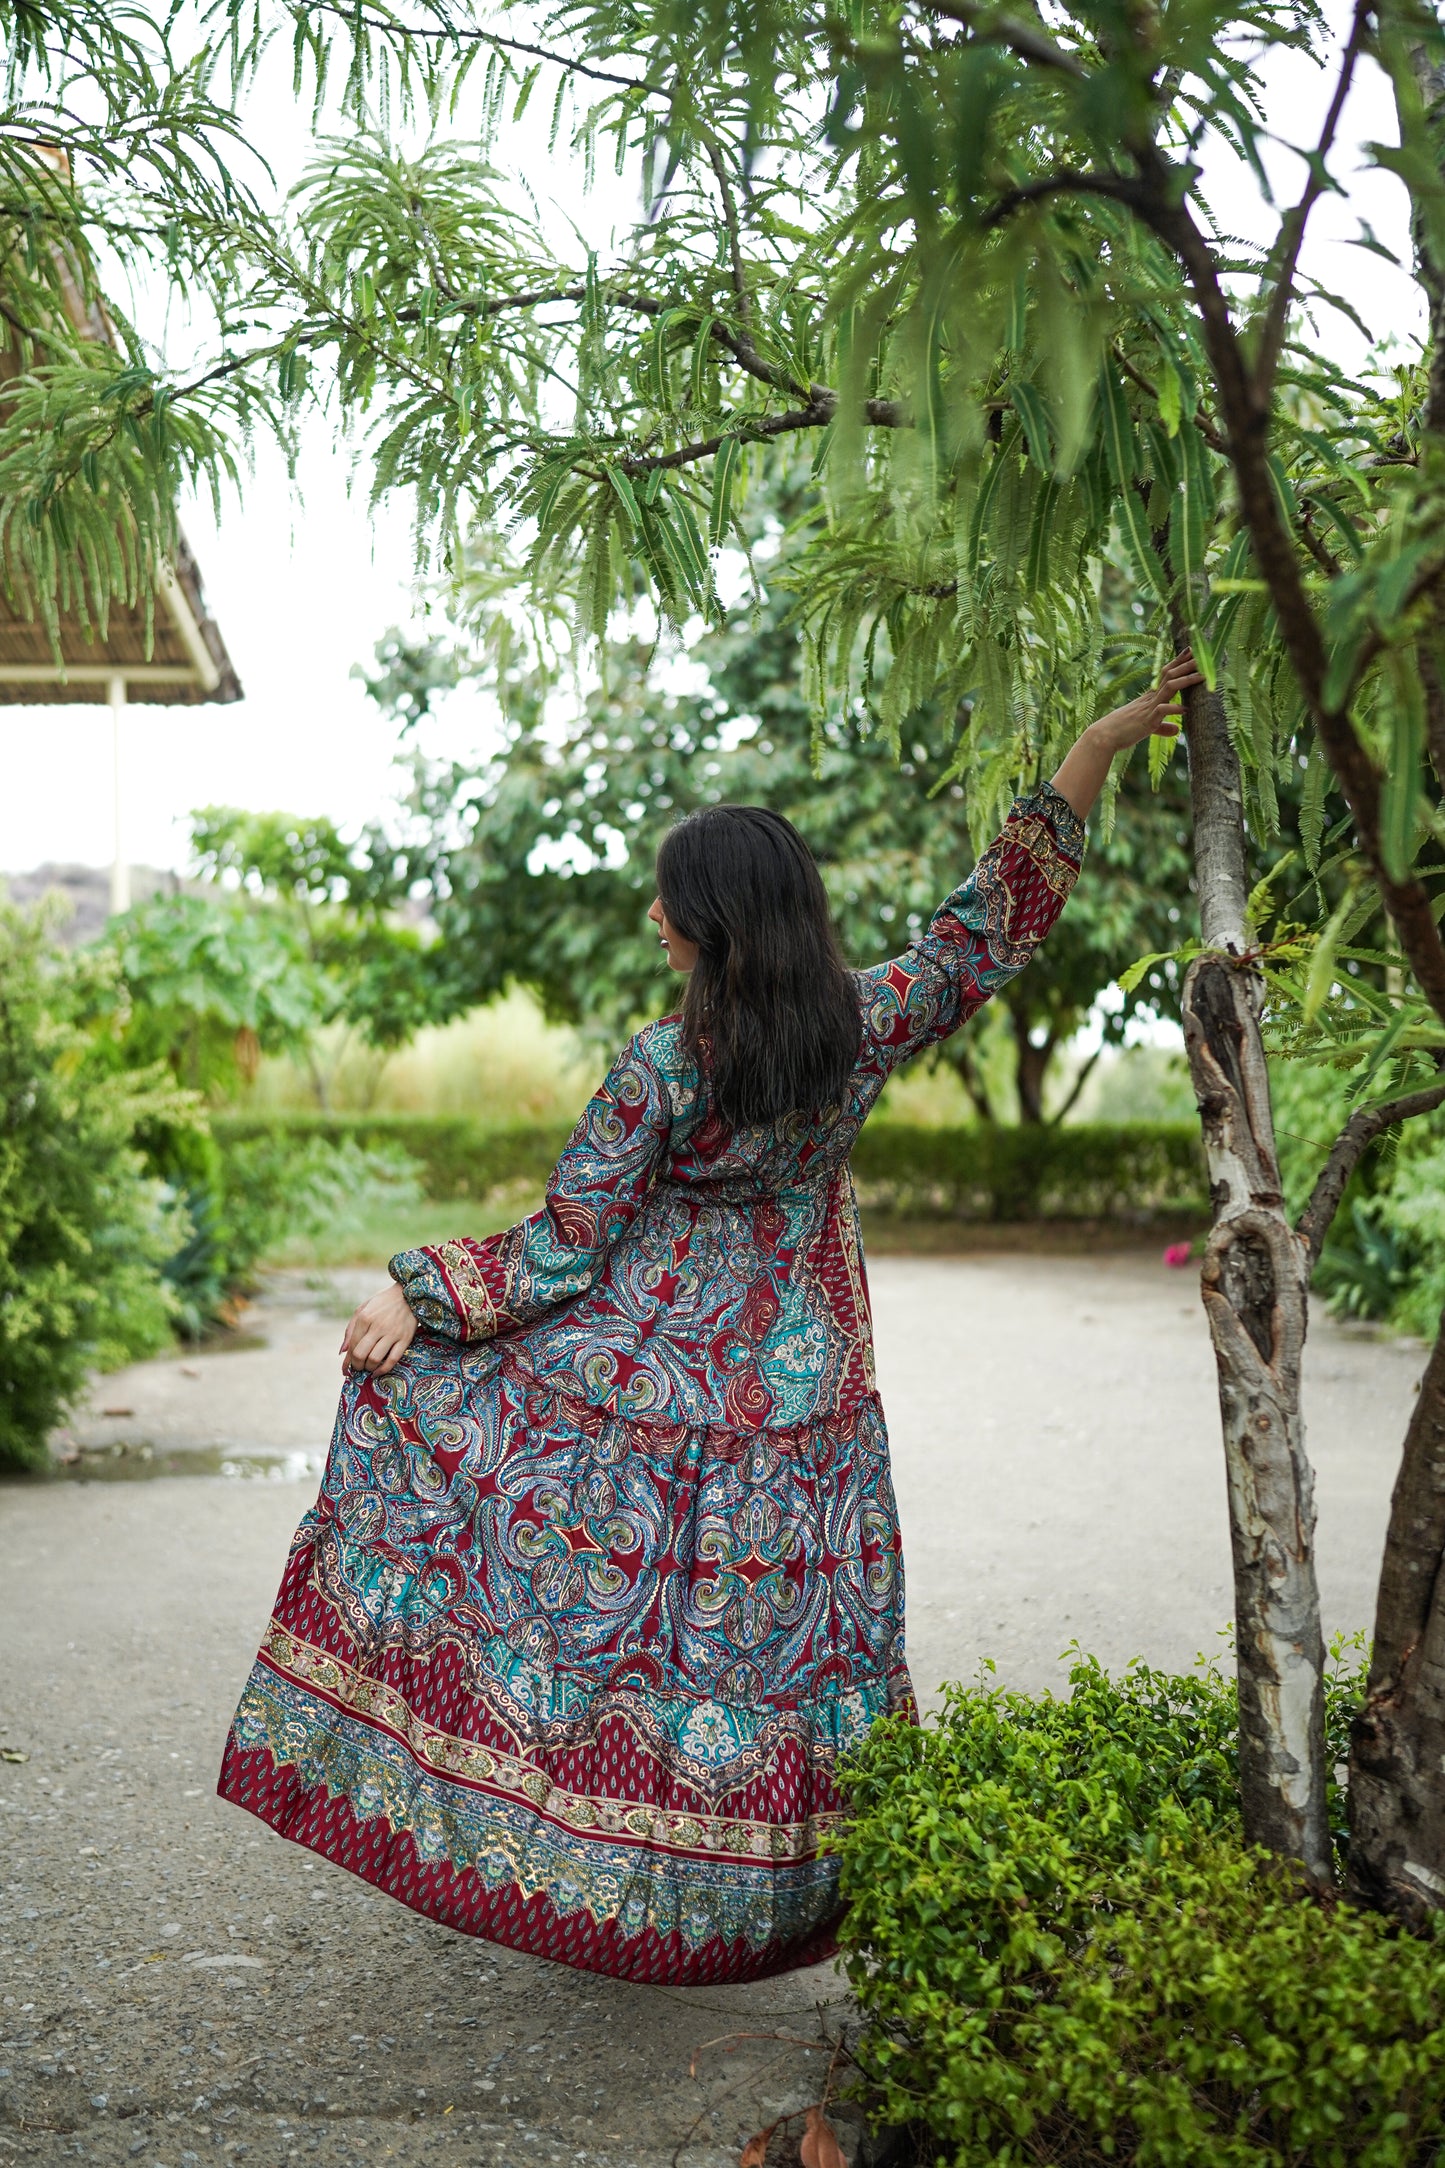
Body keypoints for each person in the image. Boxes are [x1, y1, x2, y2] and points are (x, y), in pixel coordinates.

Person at [218, 654, 1201, 1985]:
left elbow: (562, 1252)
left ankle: (608, 1893)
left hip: (645, 1401)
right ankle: (755, 1912)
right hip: (807, 1412)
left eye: (669, 906)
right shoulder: (859, 1025)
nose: (651, 919)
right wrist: (1098, 743)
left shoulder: (662, 1067)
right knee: (760, 1677)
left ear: (713, 930)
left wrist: (417, 1288)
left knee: (620, 1644)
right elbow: (992, 925)